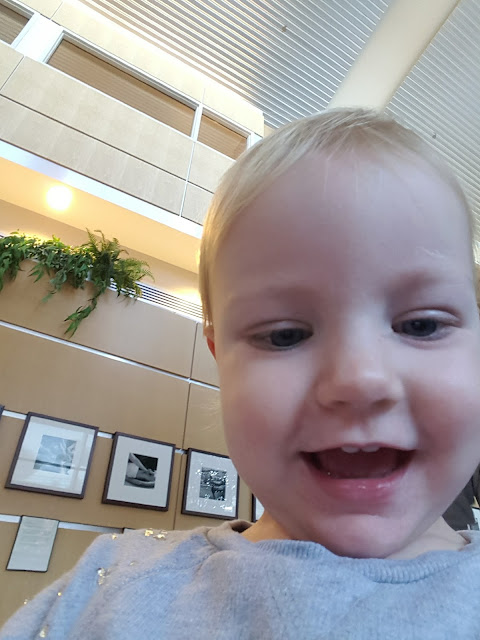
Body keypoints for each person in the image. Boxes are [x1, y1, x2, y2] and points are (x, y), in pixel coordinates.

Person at [3, 108, 480, 639]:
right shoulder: (108, 591)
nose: (360, 380)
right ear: (219, 358)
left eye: (421, 325)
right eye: (285, 335)